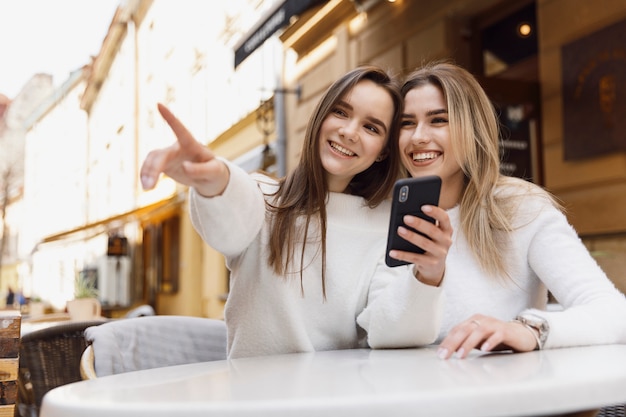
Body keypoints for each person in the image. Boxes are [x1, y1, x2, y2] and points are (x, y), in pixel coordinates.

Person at [140, 65, 452, 359]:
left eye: (371, 127)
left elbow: (391, 331)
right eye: (340, 112)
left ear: (383, 149)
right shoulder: (264, 198)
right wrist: (215, 179)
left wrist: (430, 274)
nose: (349, 131)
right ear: (320, 116)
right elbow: (231, 223)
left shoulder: (384, 224)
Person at [394, 60, 626, 360]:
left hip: (508, 397)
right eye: (406, 123)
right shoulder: (386, 214)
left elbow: (613, 313)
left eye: (438, 120)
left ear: (473, 129)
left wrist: (528, 329)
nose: (418, 137)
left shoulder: (520, 207)